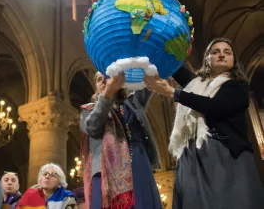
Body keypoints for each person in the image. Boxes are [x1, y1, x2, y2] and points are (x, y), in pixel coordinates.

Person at [145, 38, 264, 209]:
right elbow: (172, 65)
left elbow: (214, 106)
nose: (221, 55)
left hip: (225, 157)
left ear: (234, 61)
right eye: (215, 52)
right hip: (193, 157)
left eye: (227, 52)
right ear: (207, 59)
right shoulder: (196, 84)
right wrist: (152, 39)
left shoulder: (238, 87)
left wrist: (173, 92)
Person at [80, 72, 161, 208]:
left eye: (107, 77)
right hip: (105, 171)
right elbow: (93, 127)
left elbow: (150, 78)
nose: (104, 81)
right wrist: (108, 94)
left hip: (138, 162)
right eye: (99, 79)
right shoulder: (88, 109)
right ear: (96, 86)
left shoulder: (133, 103)